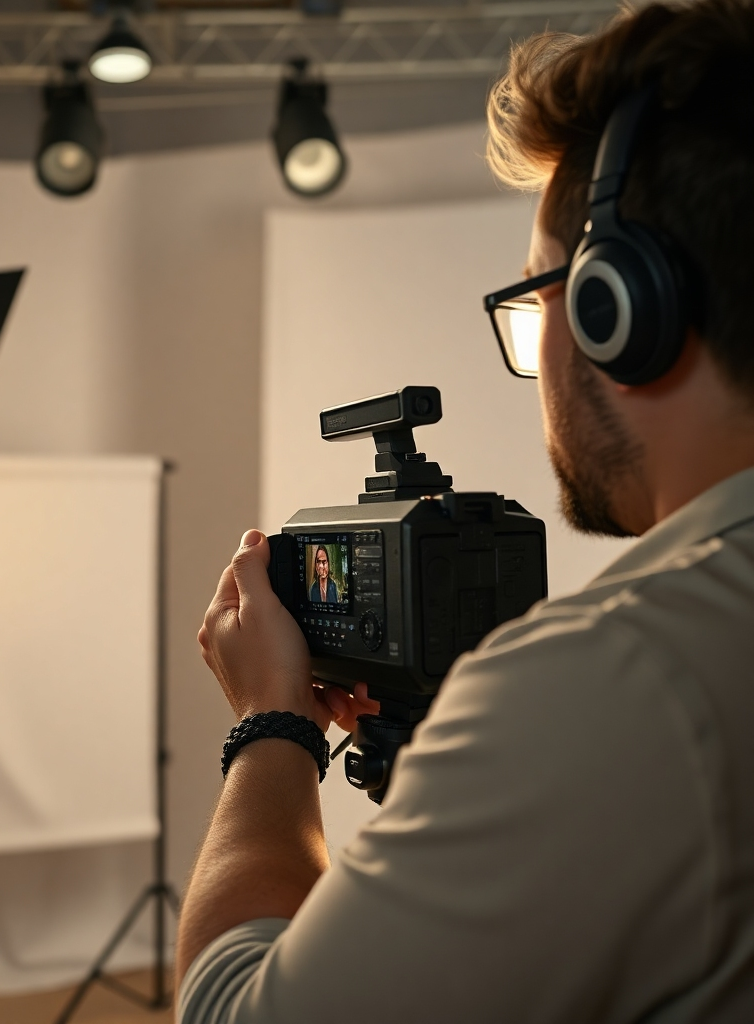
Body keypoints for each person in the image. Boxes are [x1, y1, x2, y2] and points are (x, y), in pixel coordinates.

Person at [176, 1, 754, 1020]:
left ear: (617, 309)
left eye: (540, 306)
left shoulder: (621, 681)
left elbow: (231, 1005)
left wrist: (271, 728)